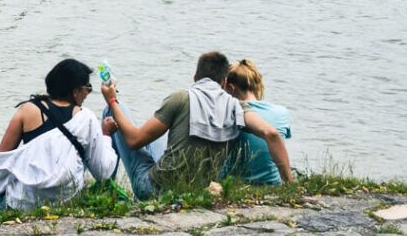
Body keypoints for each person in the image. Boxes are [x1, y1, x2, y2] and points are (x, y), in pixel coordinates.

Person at [101, 51, 292, 199]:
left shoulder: (181, 98)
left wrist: (112, 101)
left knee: (114, 112)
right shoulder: (236, 107)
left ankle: (105, 189)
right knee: (155, 140)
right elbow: (271, 134)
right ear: (224, 81)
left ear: (194, 77)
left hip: (153, 189)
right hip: (195, 189)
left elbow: (134, 140)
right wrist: (291, 186)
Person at [0, 59, 119, 210]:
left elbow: (0, 162)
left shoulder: (27, 110)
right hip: (66, 201)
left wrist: (4, 191)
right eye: (87, 88)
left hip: (21, 202)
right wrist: (106, 134)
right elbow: (104, 171)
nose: (88, 93)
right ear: (75, 92)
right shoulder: (86, 119)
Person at [220, 59, 292, 185]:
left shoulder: (229, 112)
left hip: (234, 185)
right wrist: (290, 184)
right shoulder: (282, 112)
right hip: (273, 184)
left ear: (230, 88)